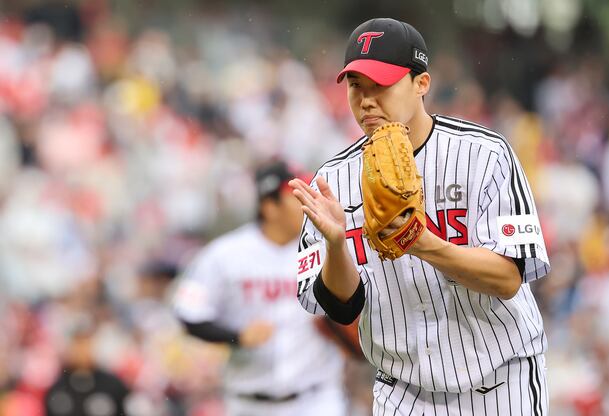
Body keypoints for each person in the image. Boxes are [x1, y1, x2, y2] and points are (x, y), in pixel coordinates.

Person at [289, 18, 551, 415]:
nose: (367, 100)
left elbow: (507, 278)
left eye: (381, 84)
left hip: (500, 381)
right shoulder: (332, 181)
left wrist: (421, 242)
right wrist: (336, 246)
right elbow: (342, 308)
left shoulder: (484, 154)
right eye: (356, 86)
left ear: (421, 83)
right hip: (403, 391)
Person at [172, 161, 347, 416]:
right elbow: (188, 313)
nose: (308, 201)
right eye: (296, 197)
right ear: (269, 207)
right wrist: (236, 336)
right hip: (249, 403)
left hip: (318, 400)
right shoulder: (223, 254)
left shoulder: (326, 249)